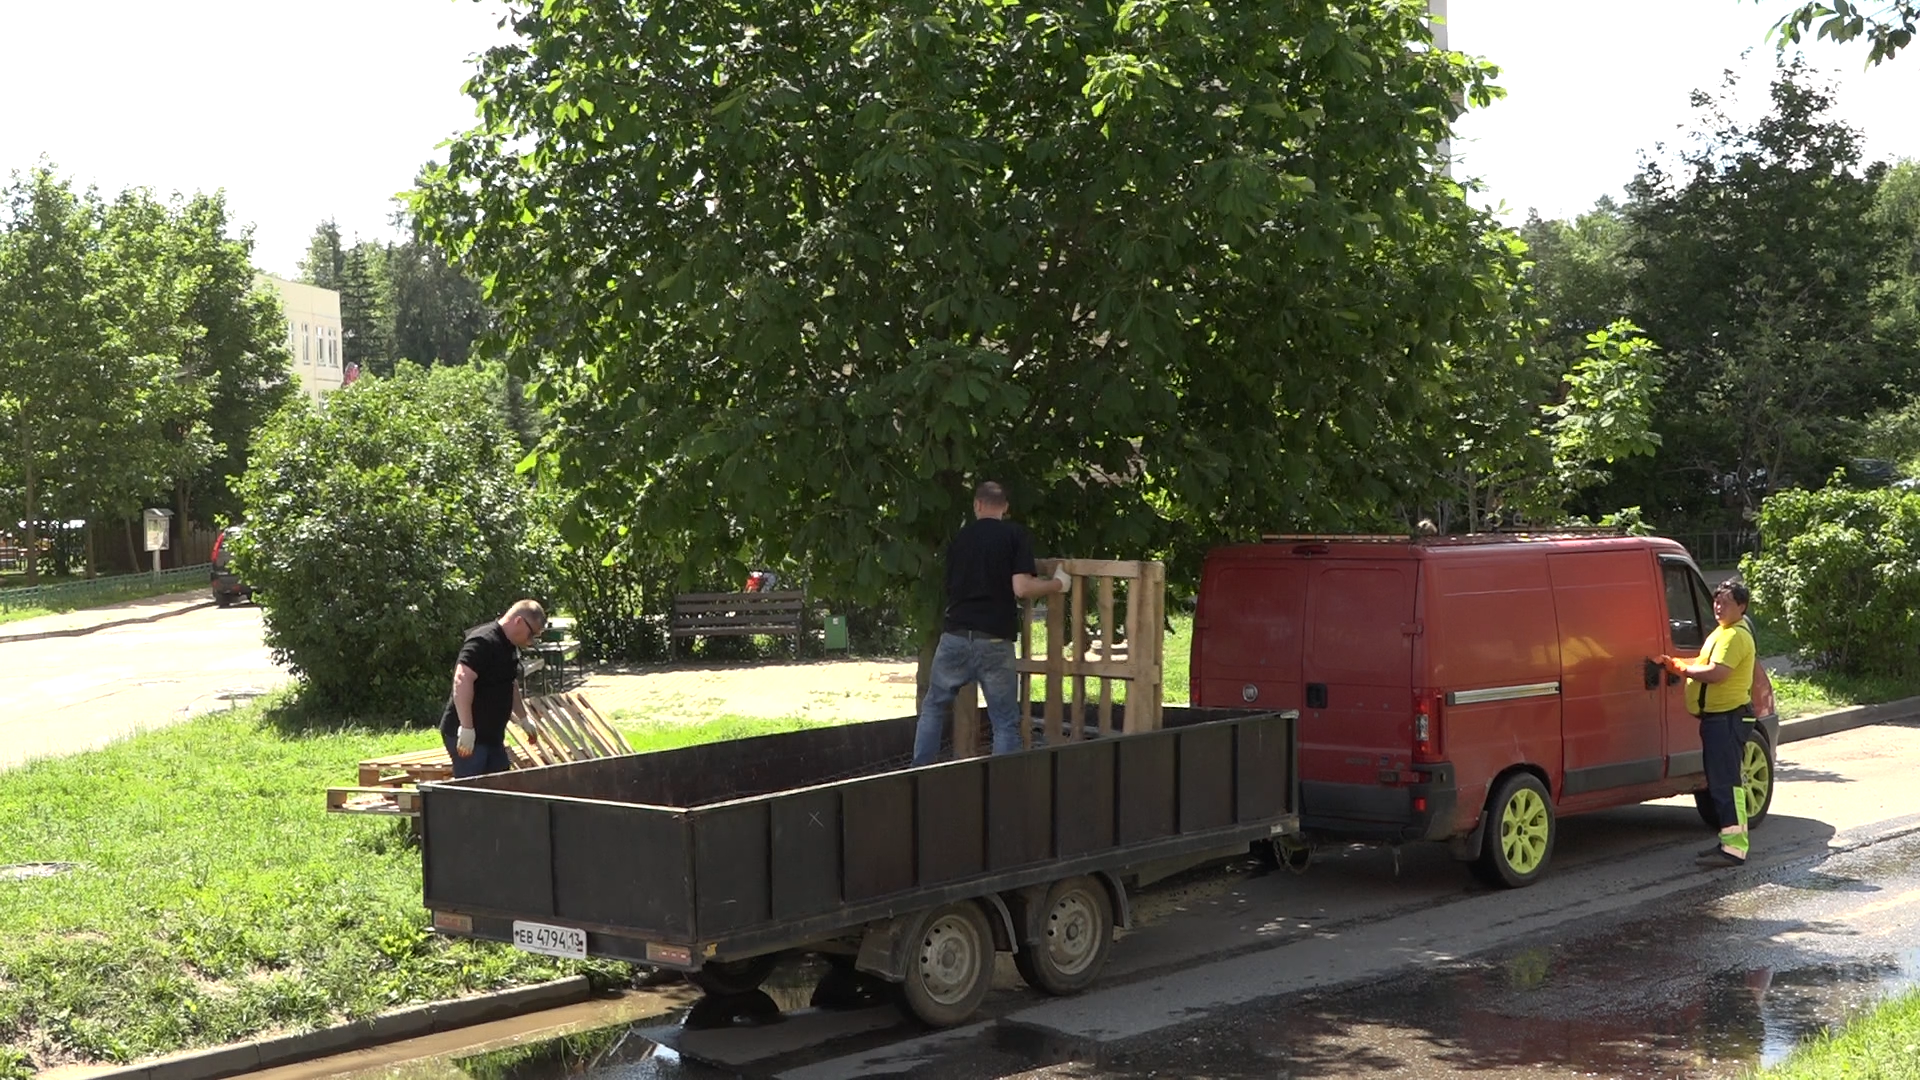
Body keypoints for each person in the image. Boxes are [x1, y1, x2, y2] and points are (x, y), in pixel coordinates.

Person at [912, 482, 1070, 766]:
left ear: (976, 505)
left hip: (955, 636)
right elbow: (1021, 587)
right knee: (1005, 721)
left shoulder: (959, 539)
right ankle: (1002, 790)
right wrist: (1058, 584)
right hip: (995, 639)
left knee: (934, 707)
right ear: (1005, 507)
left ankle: (916, 776)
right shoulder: (1014, 535)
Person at [1656, 580, 1758, 869]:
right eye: (1716, 600)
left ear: (1741, 606)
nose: (1718, 606)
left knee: (1726, 784)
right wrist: (1676, 664)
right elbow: (1704, 663)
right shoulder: (1722, 633)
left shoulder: (1735, 636)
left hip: (1727, 718)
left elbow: (1716, 673)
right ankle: (1730, 842)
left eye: (1725, 602)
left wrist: (1684, 669)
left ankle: (1734, 848)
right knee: (1723, 783)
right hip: (1719, 718)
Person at [440, 599, 547, 778]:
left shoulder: (510, 647)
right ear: (518, 621)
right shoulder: (483, 640)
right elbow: (462, 678)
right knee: (474, 796)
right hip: (468, 736)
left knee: (501, 788)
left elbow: (509, 683)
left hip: (492, 736)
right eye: (531, 635)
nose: (530, 642)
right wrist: (466, 727)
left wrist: (523, 718)